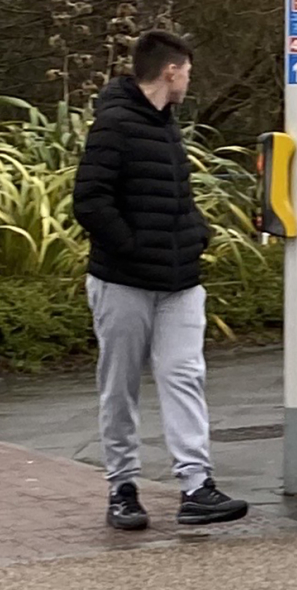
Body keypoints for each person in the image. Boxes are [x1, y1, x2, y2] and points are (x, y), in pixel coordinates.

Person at [70, 30, 249, 530]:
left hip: (179, 279)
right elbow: (89, 200)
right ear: (171, 70)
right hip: (123, 281)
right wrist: (131, 247)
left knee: (185, 375)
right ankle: (122, 489)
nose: (190, 80)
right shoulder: (114, 124)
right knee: (120, 384)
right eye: (188, 71)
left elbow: (175, 195)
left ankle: (196, 485)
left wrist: (197, 235)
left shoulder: (166, 125)